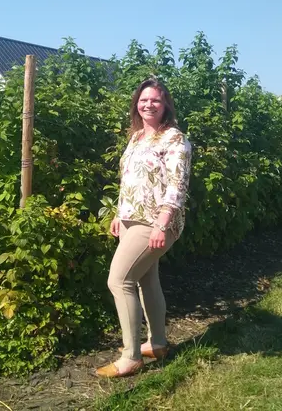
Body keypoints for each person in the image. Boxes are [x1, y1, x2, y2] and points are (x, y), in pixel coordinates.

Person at [96, 77, 192, 378]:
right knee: (146, 280)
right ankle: (158, 344)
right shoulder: (137, 137)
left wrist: (162, 225)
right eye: (144, 99)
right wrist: (118, 212)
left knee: (119, 280)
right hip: (130, 219)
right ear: (137, 104)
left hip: (155, 222)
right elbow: (131, 180)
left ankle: (131, 356)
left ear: (166, 106)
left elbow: (177, 185)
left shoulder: (175, 139)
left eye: (156, 100)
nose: (148, 104)